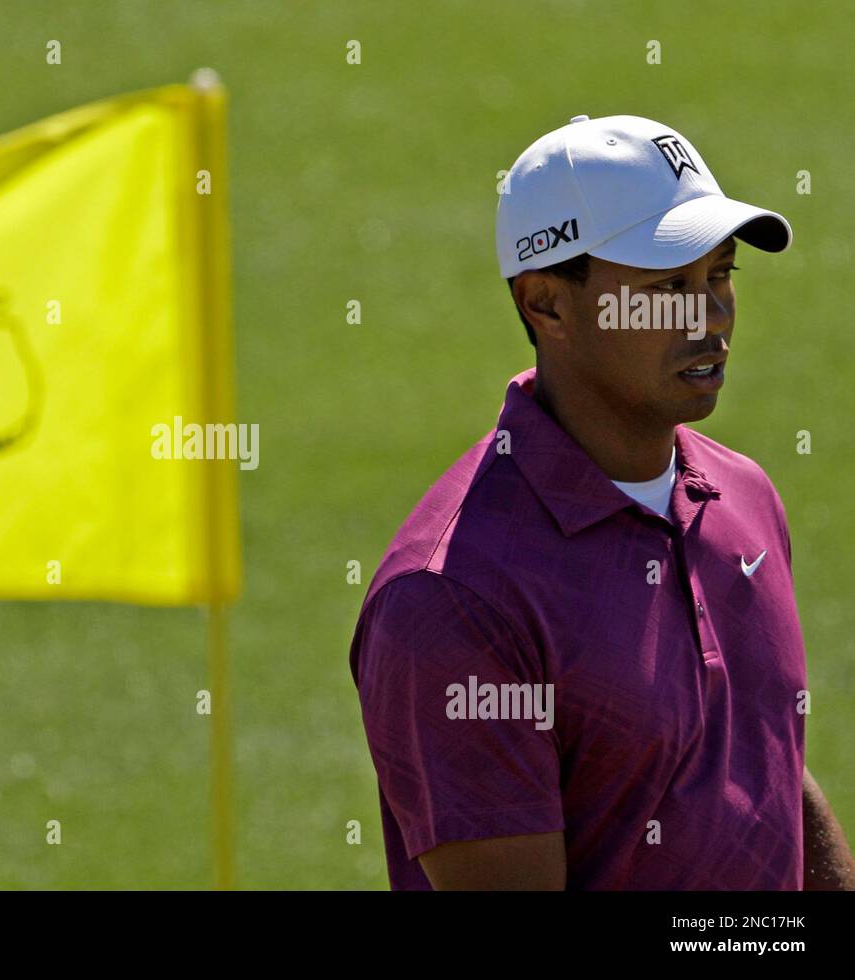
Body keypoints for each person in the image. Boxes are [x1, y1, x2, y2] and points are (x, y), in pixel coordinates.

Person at [349, 114, 855, 889]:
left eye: (720, 276)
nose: (710, 316)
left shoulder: (744, 496)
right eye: (666, 287)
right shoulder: (452, 599)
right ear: (546, 304)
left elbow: (761, 762)